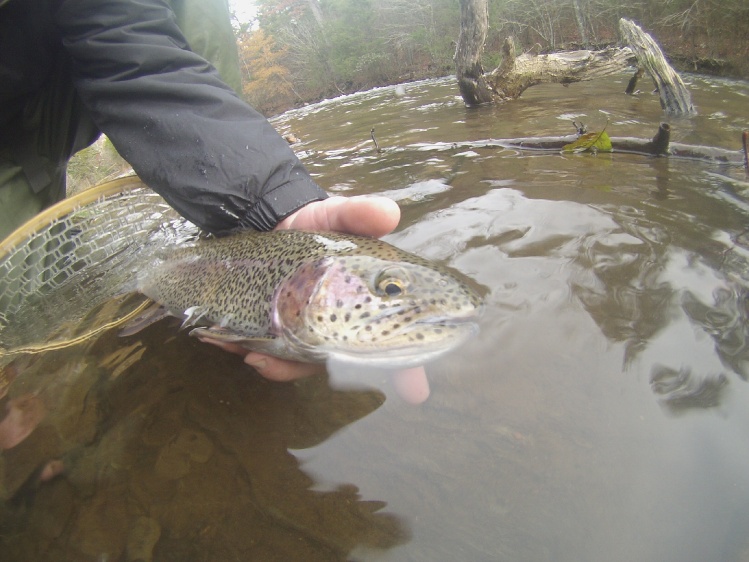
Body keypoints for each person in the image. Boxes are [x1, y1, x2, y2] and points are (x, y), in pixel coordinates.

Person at [0, 0, 429, 400]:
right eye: (388, 288)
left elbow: (129, 42)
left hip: (31, 93)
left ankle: (214, 218)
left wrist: (265, 199)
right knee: (16, 321)